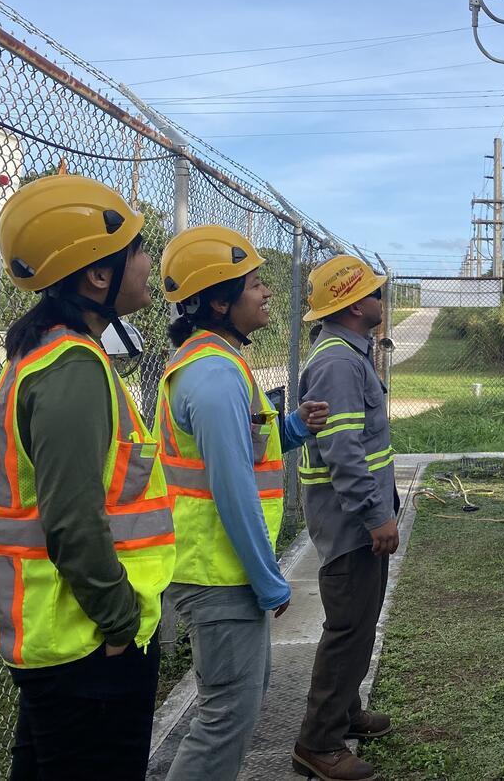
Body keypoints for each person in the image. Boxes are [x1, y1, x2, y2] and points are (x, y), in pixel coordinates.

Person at [0, 174, 175, 780]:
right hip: (87, 644)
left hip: (64, 638)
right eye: (139, 250)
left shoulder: (54, 355)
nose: (149, 263)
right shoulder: (72, 369)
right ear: (97, 275)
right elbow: (72, 521)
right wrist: (119, 622)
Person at [153, 225, 330, 780]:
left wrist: (293, 429)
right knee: (226, 717)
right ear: (220, 300)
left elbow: (244, 449)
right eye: (256, 284)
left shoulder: (219, 364)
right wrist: (269, 578)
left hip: (221, 570)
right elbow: (232, 490)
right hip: (219, 574)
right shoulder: (211, 376)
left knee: (236, 706)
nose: (268, 293)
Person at [292, 255, 400, 781]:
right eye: (375, 292)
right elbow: (344, 451)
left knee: (361, 622)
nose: (382, 299)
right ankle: (319, 742)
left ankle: (345, 712)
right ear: (356, 304)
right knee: (349, 626)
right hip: (351, 522)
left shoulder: (348, 354)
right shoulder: (338, 362)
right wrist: (377, 515)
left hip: (355, 518)